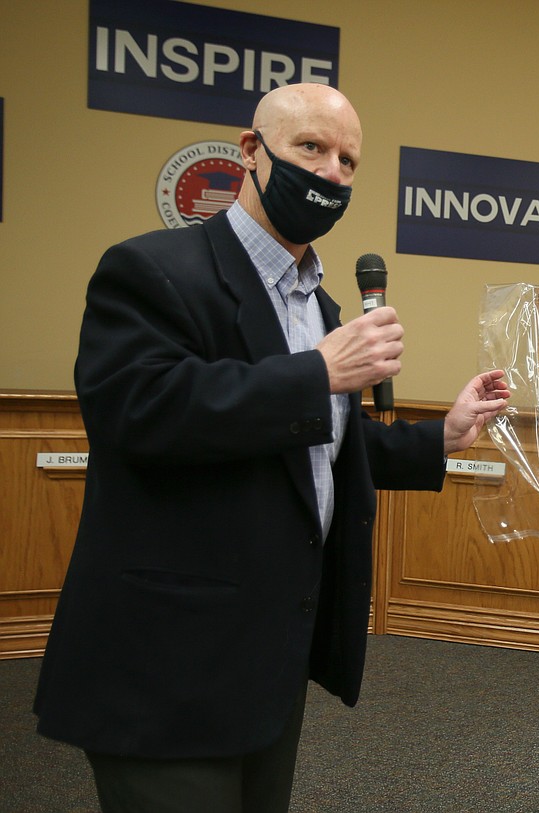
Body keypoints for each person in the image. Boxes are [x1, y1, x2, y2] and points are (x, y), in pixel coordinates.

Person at [33, 82, 510, 813]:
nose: (331, 173)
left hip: (267, 661)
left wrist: (440, 436)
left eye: (349, 160)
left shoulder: (320, 305)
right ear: (251, 151)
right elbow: (140, 412)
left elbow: (316, 449)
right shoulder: (153, 269)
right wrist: (319, 371)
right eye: (311, 148)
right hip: (168, 667)